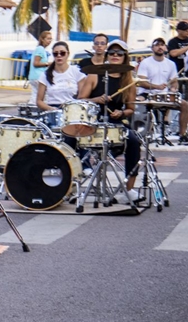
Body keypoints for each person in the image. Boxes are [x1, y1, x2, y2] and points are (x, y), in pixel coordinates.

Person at [77, 39, 142, 202]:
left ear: (125, 57)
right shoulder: (94, 75)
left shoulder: (129, 81)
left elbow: (131, 109)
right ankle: (72, 184)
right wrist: (96, 100)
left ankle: (130, 189)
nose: (115, 55)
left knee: (134, 142)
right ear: (107, 55)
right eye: (112, 53)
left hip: (116, 124)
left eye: (119, 53)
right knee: (69, 136)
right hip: (93, 122)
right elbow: (81, 99)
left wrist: (121, 113)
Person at [36, 42, 89, 168]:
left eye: (62, 53)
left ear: (68, 54)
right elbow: (39, 101)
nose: (59, 56)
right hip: (53, 109)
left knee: (80, 130)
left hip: (72, 108)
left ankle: (84, 164)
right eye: (55, 54)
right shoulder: (45, 75)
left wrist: (72, 104)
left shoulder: (76, 72)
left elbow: (82, 96)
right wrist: (52, 109)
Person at [137, 37, 188, 144]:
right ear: (152, 48)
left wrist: (174, 89)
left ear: (165, 48)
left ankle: (182, 135)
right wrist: (156, 87)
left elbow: (174, 82)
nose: (160, 47)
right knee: (138, 102)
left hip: (165, 95)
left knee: (185, 105)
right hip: (148, 94)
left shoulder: (170, 64)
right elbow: (141, 82)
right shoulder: (146, 63)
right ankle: (143, 134)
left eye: (162, 45)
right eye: (157, 45)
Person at [28, 31, 53, 103]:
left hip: (34, 76)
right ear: (42, 39)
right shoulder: (40, 49)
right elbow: (36, 63)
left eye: (51, 39)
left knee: (35, 96)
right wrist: (48, 64)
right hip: (38, 77)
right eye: (48, 39)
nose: (50, 41)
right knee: (44, 96)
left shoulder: (39, 49)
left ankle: (31, 110)